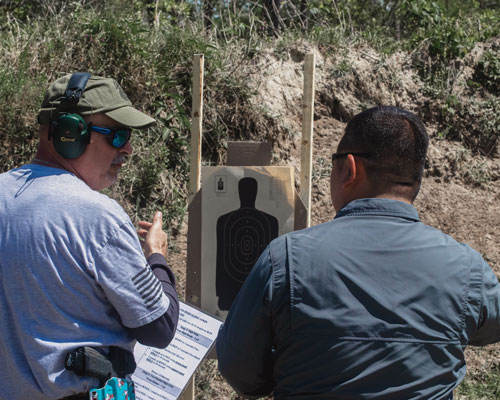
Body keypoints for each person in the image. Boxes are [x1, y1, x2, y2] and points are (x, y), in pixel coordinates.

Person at [216, 106, 500, 399]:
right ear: (416, 178)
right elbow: (490, 328)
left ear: (350, 168)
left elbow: (241, 372)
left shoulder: (285, 258)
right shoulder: (467, 268)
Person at [0, 73, 179, 399]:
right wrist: (156, 256)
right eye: (117, 135)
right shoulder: (99, 217)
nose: (126, 149)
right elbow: (159, 326)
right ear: (70, 134)